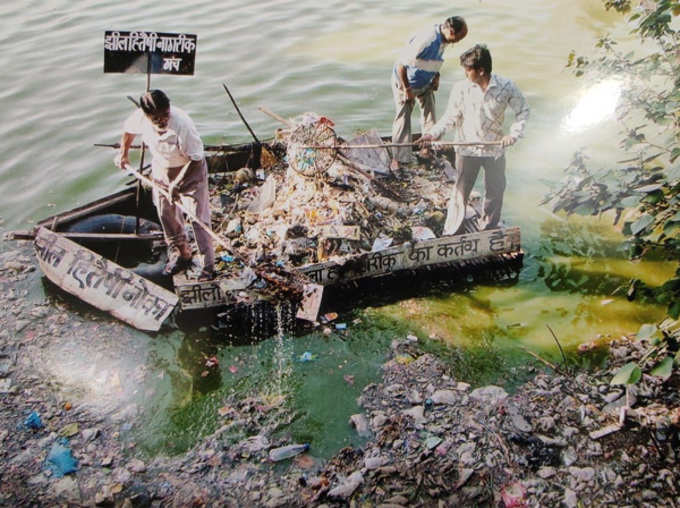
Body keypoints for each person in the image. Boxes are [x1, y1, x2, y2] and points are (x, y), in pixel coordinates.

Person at [419, 44, 529, 230]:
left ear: (481, 71)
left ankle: (487, 228)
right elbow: (450, 117)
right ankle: (451, 230)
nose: (465, 73)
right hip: (467, 148)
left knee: (495, 191)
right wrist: (432, 133)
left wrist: (514, 134)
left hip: (494, 149)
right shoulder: (461, 88)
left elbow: (523, 111)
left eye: (468, 69)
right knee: (460, 193)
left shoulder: (506, 86)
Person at [114, 89, 215, 280]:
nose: (162, 121)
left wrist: (177, 183)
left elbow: (196, 158)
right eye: (156, 119)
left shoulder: (182, 123)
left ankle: (208, 266)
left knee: (197, 218)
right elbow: (128, 131)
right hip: (162, 167)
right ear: (146, 116)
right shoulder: (140, 118)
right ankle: (183, 253)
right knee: (165, 211)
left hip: (190, 168)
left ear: (169, 108)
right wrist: (123, 153)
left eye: (165, 115)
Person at [390, 15, 468, 172]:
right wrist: (407, 90)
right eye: (458, 38)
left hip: (425, 81)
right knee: (403, 119)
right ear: (451, 31)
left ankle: (427, 149)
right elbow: (401, 65)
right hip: (406, 83)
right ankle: (399, 159)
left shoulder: (444, 40)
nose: (457, 42)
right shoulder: (427, 39)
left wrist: (436, 77)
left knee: (430, 114)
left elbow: (434, 59)